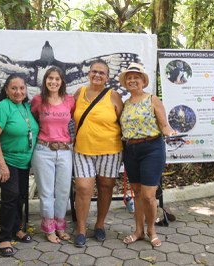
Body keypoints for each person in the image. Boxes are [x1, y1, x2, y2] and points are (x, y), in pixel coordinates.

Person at [119, 63, 177, 248]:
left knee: (148, 195)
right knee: (137, 193)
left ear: (143, 80)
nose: (132, 80)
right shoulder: (125, 104)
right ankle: (138, 231)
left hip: (152, 149)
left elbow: (164, 125)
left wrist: (171, 133)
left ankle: (151, 230)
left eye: (136, 77)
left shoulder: (153, 100)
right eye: (129, 77)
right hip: (130, 150)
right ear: (125, 82)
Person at [73, 59, 123, 248]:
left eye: (102, 73)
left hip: (110, 150)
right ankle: (81, 229)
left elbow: (122, 121)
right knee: (84, 188)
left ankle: (100, 225)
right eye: (94, 71)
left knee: (105, 187)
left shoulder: (113, 96)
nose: (97, 75)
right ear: (88, 73)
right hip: (82, 149)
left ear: (107, 77)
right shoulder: (80, 93)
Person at [0, 73, 39, 257]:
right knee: (11, 195)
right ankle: (4, 238)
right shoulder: (2, 108)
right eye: (14, 88)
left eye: (22, 88)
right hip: (6, 158)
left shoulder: (26, 107)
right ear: (6, 90)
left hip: (23, 159)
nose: (18, 92)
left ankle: (17, 228)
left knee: (22, 194)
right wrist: (2, 165)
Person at [30, 67, 75, 243]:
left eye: (57, 79)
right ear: (45, 80)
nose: (53, 82)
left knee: (63, 191)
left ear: (62, 81)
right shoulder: (38, 100)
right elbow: (33, 119)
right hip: (43, 150)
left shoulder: (70, 100)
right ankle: (49, 229)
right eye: (50, 78)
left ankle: (60, 227)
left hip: (65, 151)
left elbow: (74, 120)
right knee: (46, 192)